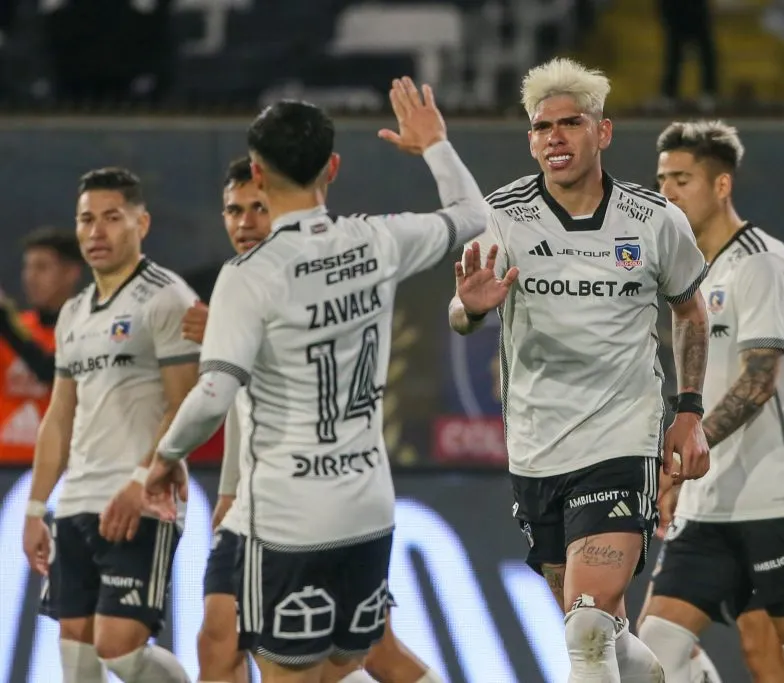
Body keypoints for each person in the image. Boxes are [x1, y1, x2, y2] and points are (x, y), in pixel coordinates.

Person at [143, 81, 488, 683]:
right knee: (334, 665)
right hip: (368, 510)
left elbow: (214, 395)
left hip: (288, 519)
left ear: (257, 172)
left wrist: (165, 457)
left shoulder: (250, 276)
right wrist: (435, 143)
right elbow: (472, 215)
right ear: (333, 167)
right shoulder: (378, 240)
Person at [449, 57, 711, 682]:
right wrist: (471, 308)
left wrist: (689, 411)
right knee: (599, 631)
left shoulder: (654, 220)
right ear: (531, 141)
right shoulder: (502, 216)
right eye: (543, 127)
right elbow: (460, 314)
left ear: (603, 131)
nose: (555, 138)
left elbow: (690, 311)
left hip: (622, 438)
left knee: (587, 627)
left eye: (570, 123)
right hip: (537, 448)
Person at [190, 157, 443, 683]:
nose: (244, 222)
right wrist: (231, 489)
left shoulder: (321, 276)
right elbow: (244, 399)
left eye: (258, 208)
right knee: (218, 638)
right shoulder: (243, 281)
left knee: (367, 656)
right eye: (233, 210)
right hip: (261, 504)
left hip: (321, 506)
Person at [637, 120, 784, 683]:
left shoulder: (761, 260)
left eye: (682, 179)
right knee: (655, 648)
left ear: (721, 186)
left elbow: (759, 380)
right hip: (708, 504)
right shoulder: (687, 271)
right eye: (662, 179)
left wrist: (686, 448)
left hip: (774, 497)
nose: (667, 192)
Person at [22, 167, 198, 683]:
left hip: (140, 498)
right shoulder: (74, 312)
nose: (96, 232)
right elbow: (59, 415)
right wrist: (36, 507)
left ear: (141, 223)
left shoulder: (167, 297)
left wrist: (142, 480)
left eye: (112, 218)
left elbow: (186, 403)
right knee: (76, 660)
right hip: (77, 500)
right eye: (86, 220)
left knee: (119, 651)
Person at [0, 228, 83, 463]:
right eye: (27, 267)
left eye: (42, 267)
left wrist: (5, 321)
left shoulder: (88, 330)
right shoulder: (18, 327)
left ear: (70, 273)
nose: (30, 277)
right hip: (5, 464)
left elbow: (50, 373)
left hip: (58, 467)